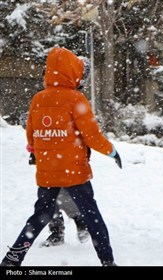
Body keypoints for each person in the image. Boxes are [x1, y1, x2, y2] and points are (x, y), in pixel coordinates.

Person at [0, 47, 122, 267]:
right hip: (74, 172)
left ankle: (12, 259)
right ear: (72, 71)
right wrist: (111, 151)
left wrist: (42, 151)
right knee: (92, 217)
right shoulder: (76, 99)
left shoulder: (37, 99)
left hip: (47, 172)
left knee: (39, 217)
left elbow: (31, 136)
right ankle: (107, 261)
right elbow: (92, 136)